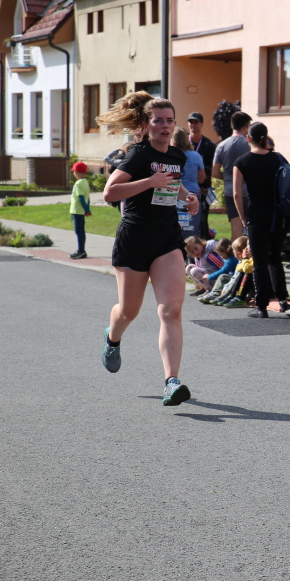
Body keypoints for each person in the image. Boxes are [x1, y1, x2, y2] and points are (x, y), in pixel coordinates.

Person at [97, 90, 199, 406]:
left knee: (171, 310)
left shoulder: (177, 156)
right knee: (129, 311)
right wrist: (148, 182)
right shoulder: (137, 155)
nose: (165, 126)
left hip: (166, 240)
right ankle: (112, 338)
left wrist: (187, 197)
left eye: (170, 120)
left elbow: (171, 183)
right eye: (159, 121)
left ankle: (172, 381)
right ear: (146, 124)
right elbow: (110, 193)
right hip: (135, 240)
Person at [233, 121, 290, 318]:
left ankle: (262, 306)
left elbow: (236, 194)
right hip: (276, 214)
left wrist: (243, 218)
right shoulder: (277, 158)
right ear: (266, 138)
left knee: (259, 261)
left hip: (256, 214)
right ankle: (282, 299)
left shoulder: (241, 162)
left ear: (248, 138)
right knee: (275, 257)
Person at [212, 111, 252, 240]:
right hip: (249, 190)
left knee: (236, 228)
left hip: (230, 190)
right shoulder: (249, 144)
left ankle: (236, 252)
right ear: (245, 127)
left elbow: (214, 172)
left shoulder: (222, 145)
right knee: (252, 227)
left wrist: (229, 178)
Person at [173, 128, 207, 239]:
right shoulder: (195, 155)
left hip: (175, 193)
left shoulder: (170, 155)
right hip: (192, 194)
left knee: (175, 226)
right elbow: (202, 178)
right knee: (192, 227)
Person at [187, 112, 216, 240]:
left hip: (203, 189)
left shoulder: (209, 145)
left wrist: (205, 186)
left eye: (196, 122)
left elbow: (211, 168)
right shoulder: (182, 143)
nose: (193, 125)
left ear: (202, 124)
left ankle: (203, 243)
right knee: (185, 219)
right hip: (185, 188)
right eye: (191, 122)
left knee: (202, 218)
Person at [197, 237, 239, 303]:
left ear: (226, 251)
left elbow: (223, 271)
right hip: (234, 277)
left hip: (236, 279)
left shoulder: (231, 260)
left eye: (221, 254)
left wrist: (209, 276)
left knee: (222, 277)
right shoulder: (231, 258)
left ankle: (215, 294)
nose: (221, 257)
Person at [68, 161, 92, 259]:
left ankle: (81, 250)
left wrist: (86, 209)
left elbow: (81, 198)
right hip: (81, 210)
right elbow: (87, 198)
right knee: (81, 231)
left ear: (77, 172)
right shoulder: (85, 182)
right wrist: (87, 209)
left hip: (77, 210)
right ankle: (82, 250)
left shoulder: (78, 183)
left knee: (78, 231)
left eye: (74, 171)